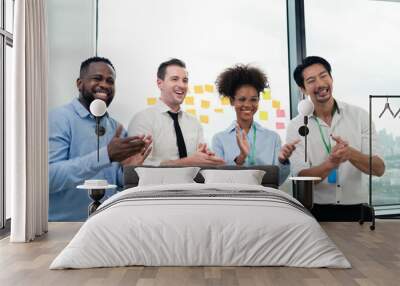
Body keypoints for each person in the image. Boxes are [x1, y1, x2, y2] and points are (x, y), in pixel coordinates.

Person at [49, 56, 151, 221]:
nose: (105, 84)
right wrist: (106, 156)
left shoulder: (116, 128)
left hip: (107, 225)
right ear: (79, 83)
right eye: (97, 78)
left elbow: (116, 184)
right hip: (64, 229)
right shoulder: (59, 119)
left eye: (110, 81)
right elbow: (49, 179)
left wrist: (129, 171)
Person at [287, 56, 385, 213]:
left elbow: (379, 169)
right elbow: (301, 178)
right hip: (317, 212)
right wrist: (330, 164)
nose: (320, 84)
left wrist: (351, 154)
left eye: (323, 76)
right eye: (311, 80)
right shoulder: (296, 126)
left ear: (331, 78)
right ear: (303, 89)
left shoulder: (360, 116)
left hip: (359, 210)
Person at [211, 64, 298, 185]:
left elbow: (278, 181)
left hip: (266, 200)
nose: (247, 105)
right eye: (242, 99)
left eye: (253, 99)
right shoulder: (219, 140)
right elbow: (218, 181)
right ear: (232, 101)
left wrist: (282, 160)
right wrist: (241, 157)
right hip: (232, 200)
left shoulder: (273, 138)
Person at [128, 58, 224, 166]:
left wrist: (208, 158)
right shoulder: (143, 119)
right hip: (158, 183)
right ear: (160, 83)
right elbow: (138, 167)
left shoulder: (194, 123)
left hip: (193, 182)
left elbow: (202, 159)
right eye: (174, 79)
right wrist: (188, 162)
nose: (182, 85)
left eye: (185, 80)